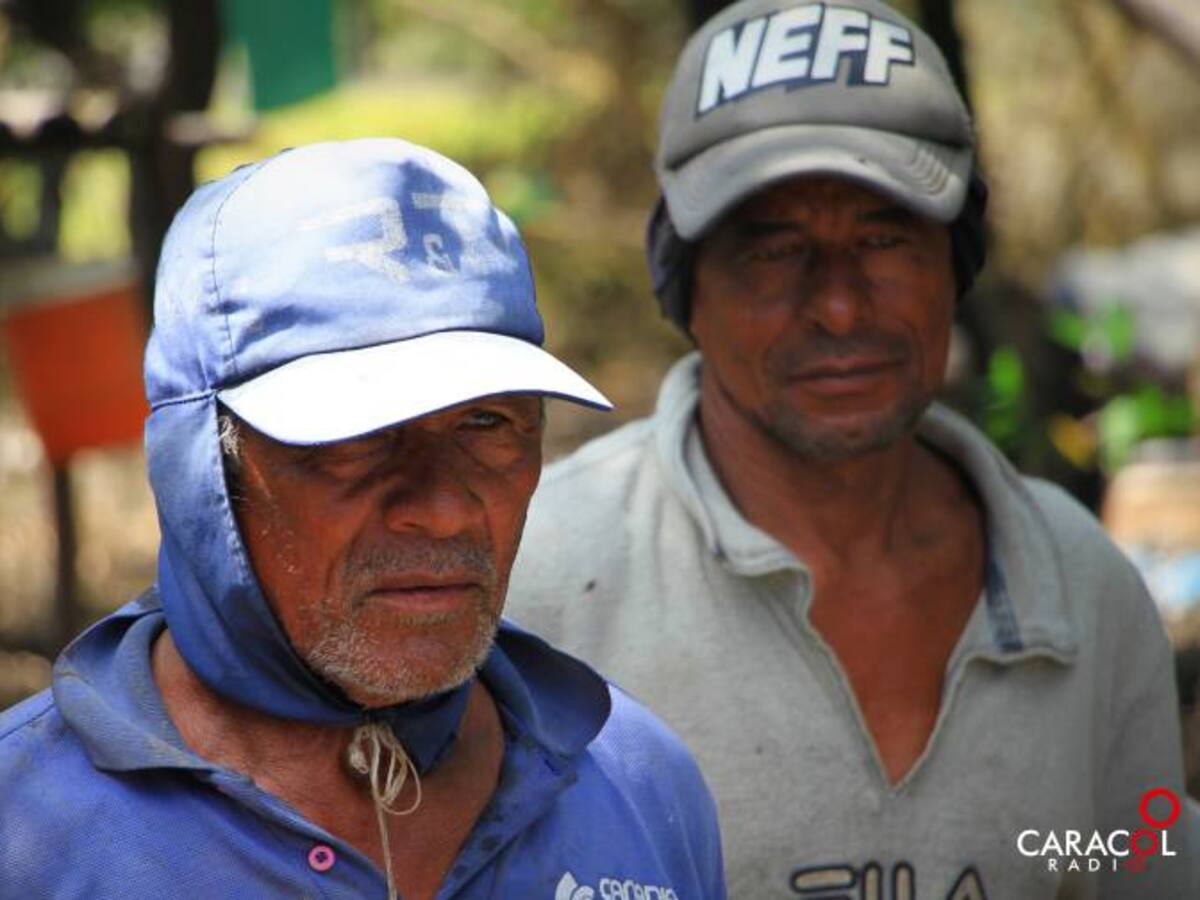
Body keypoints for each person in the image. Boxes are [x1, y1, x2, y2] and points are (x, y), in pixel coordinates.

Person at [506, 1, 1199, 897]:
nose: (837, 305)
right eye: (773, 249)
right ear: (686, 287)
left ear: (958, 263)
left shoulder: (1080, 587)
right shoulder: (544, 586)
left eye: (883, 237)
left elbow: (1122, 867)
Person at [0, 139, 725, 900]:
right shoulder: (28, 834)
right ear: (201, 468)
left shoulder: (638, 786)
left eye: (485, 424)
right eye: (355, 440)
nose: (443, 512)